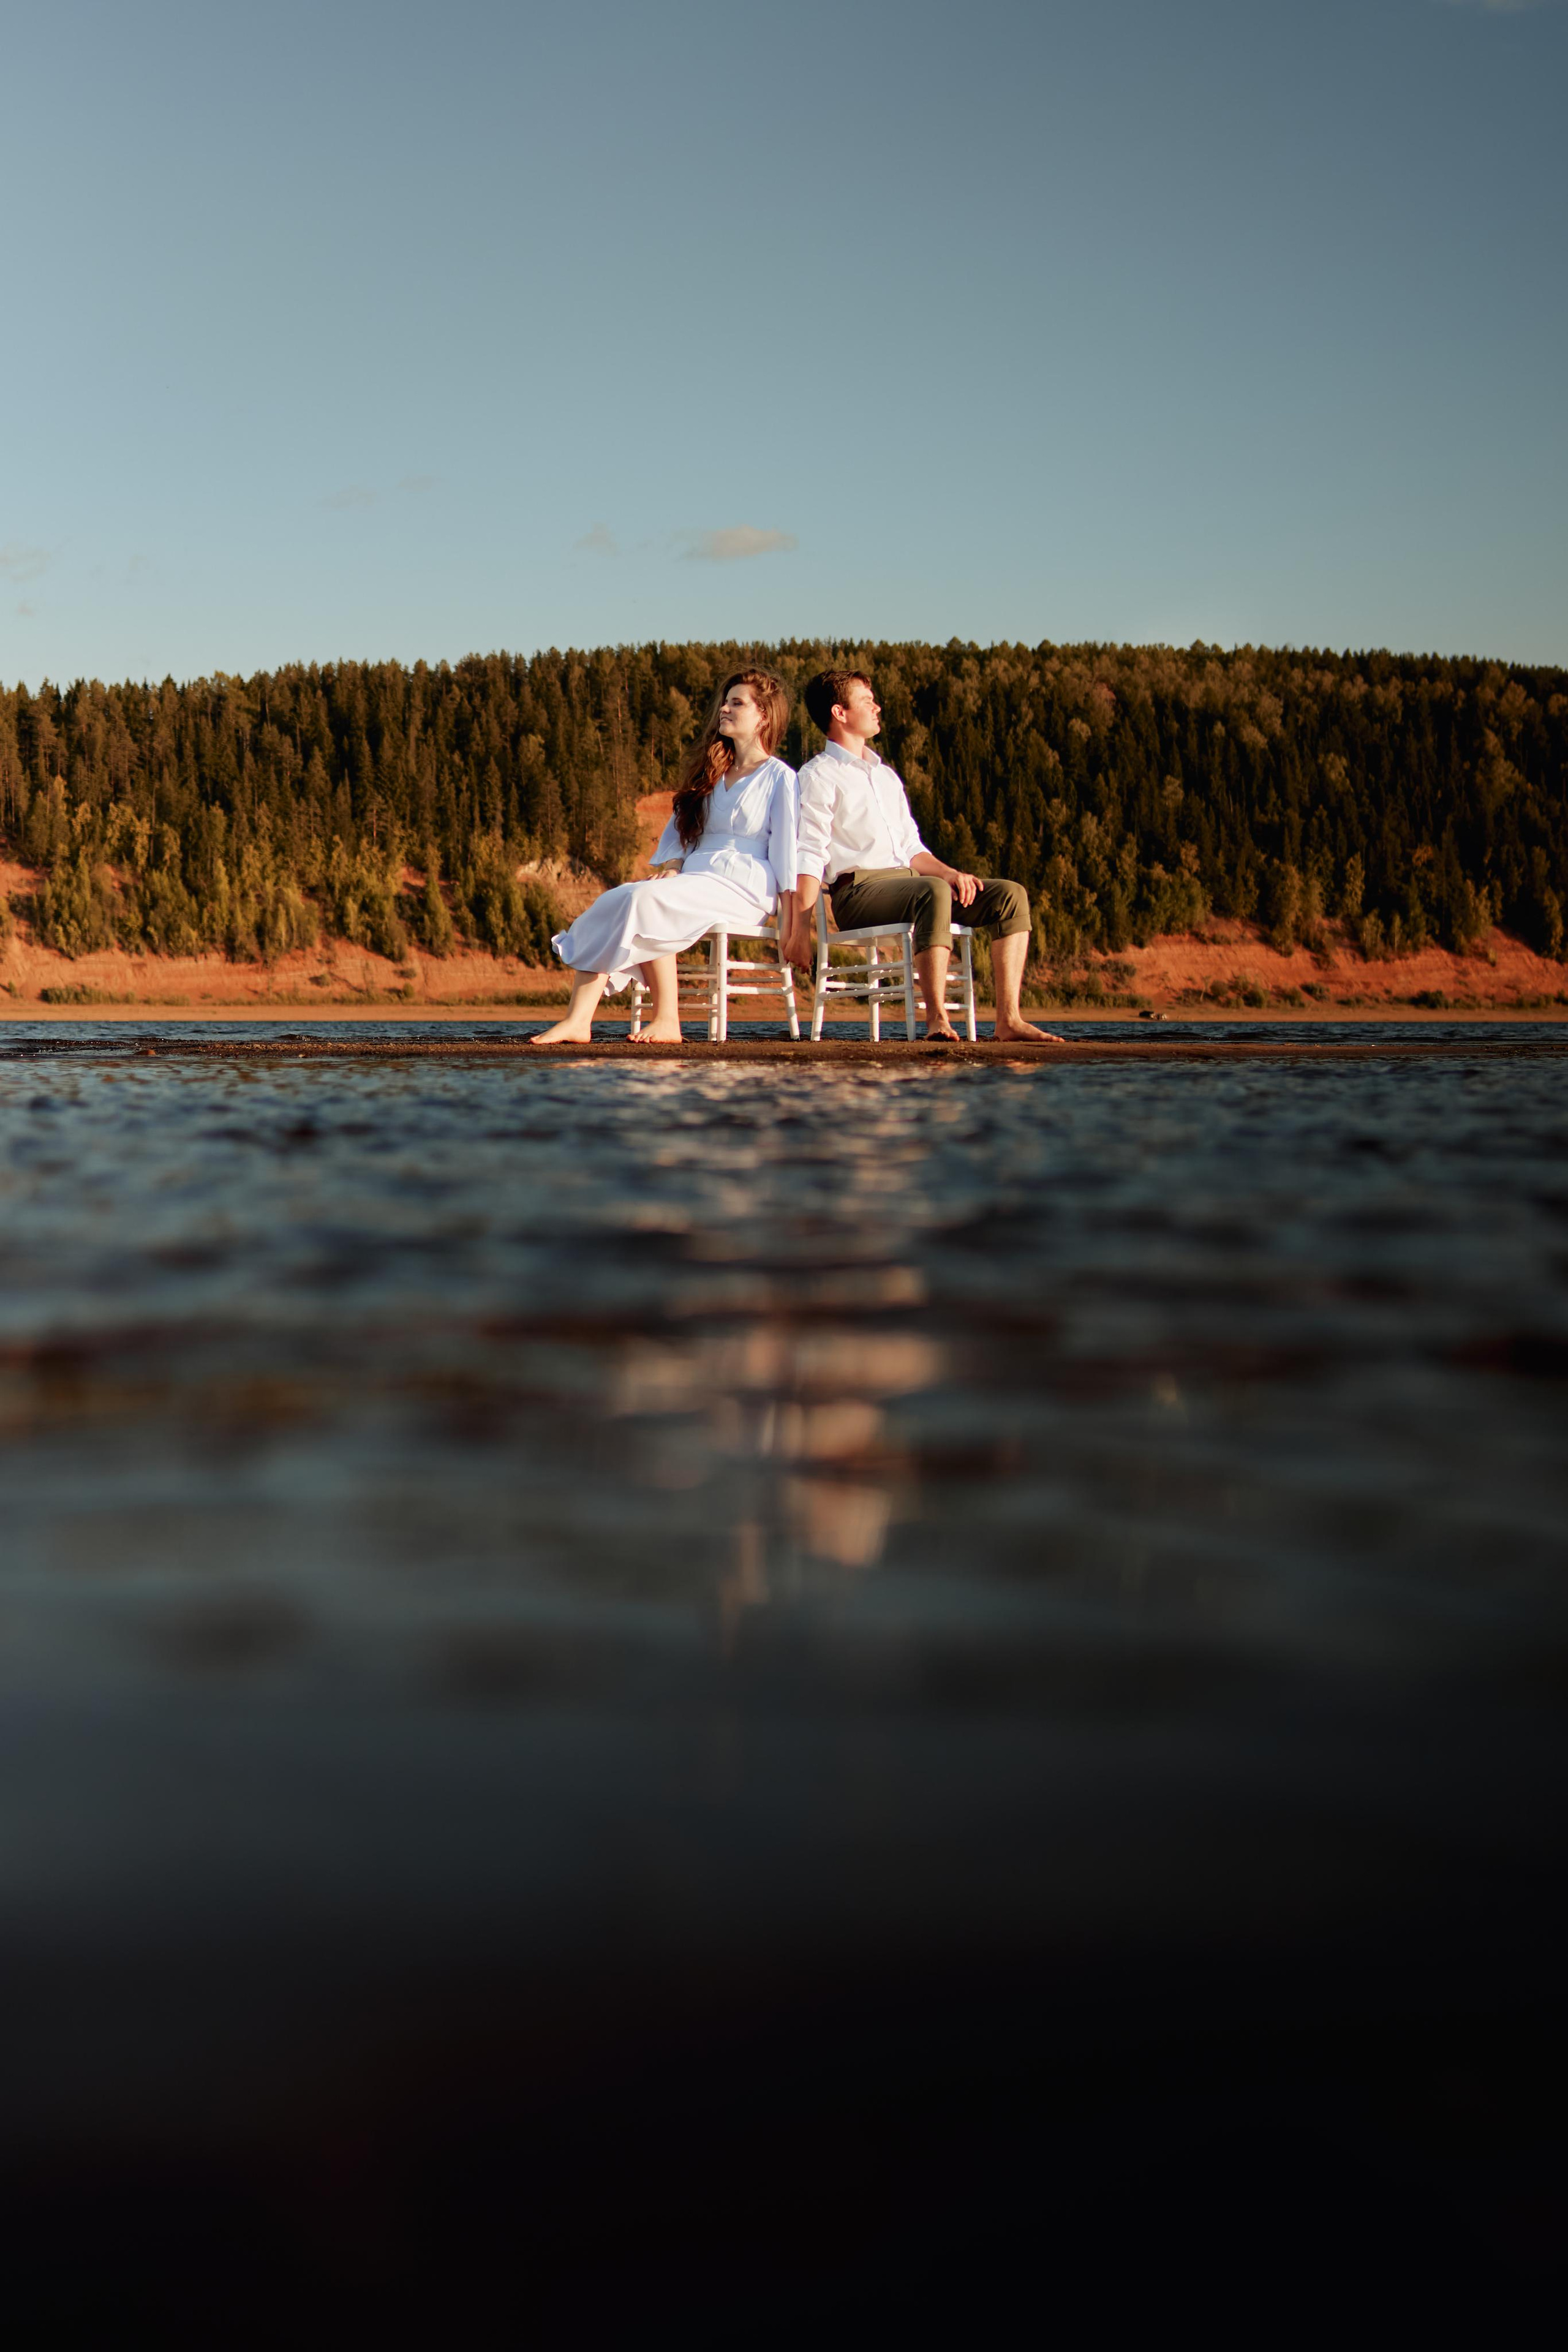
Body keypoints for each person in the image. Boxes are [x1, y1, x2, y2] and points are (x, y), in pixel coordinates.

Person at [782, 669, 1062, 1045]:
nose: (877, 706)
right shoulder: (819, 775)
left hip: (913, 886)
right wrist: (802, 929)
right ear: (840, 712)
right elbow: (810, 854)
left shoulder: (886, 777)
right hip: (858, 894)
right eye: (867, 700)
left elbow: (913, 849)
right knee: (932, 892)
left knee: (1009, 895)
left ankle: (1009, 1021)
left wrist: (951, 873)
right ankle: (937, 1020)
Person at [531, 671, 798, 1045]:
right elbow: (679, 832)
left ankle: (668, 1020)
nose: (724, 708)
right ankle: (578, 1020)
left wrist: (793, 922)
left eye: (737, 703)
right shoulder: (713, 772)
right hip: (696, 877)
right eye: (726, 701)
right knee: (617, 898)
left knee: (648, 900)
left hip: (745, 885)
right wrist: (673, 866)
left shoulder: (779, 778)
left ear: (764, 716)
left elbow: (788, 852)